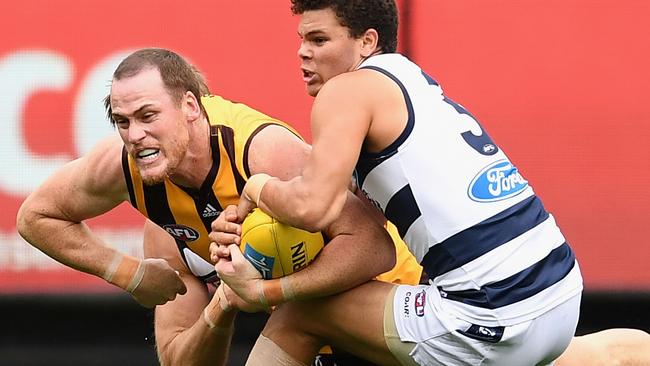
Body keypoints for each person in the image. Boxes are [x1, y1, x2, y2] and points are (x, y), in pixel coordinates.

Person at [210, 1, 650, 365]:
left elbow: (312, 207)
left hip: (497, 314)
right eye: (301, 40)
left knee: (299, 316)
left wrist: (257, 189)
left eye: (319, 40)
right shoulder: (406, 75)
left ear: (367, 42)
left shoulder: (345, 92)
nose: (303, 53)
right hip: (560, 289)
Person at [16, 47, 425, 366]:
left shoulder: (262, 153)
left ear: (191, 107)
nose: (135, 135)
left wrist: (264, 291)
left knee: (298, 317)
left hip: (397, 301)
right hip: (308, 334)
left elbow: (375, 246)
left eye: (148, 115)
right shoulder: (152, 208)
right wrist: (135, 276)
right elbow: (36, 216)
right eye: (123, 122)